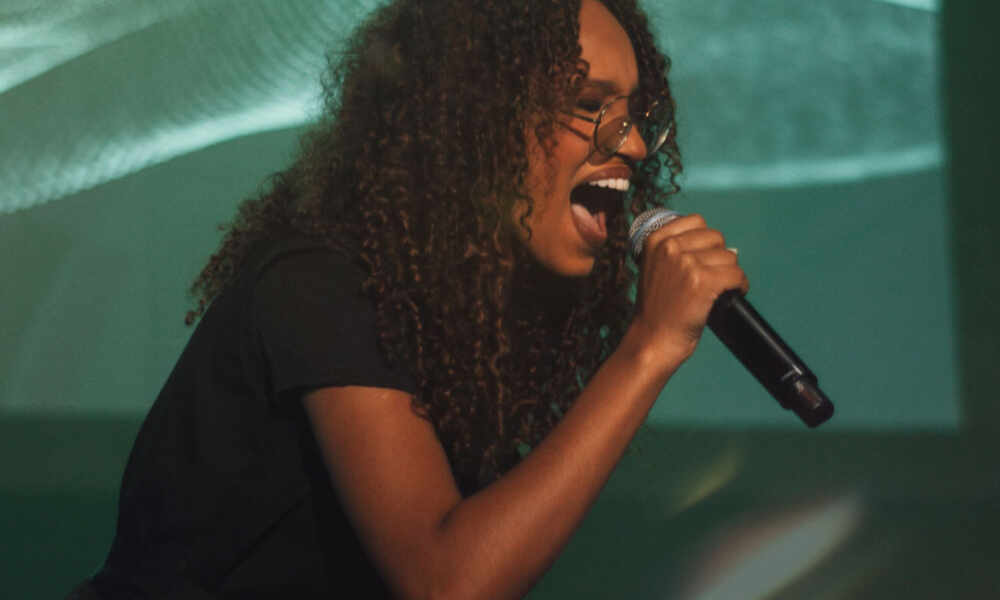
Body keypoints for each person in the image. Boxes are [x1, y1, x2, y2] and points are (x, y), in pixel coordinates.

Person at [75, 0, 747, 598]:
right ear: (475, 116)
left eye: (634, 116)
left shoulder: (473, 314)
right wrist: (650, 346)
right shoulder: (323, 279)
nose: (634, 144)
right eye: (589, 106)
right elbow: (447, 583)